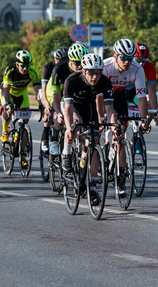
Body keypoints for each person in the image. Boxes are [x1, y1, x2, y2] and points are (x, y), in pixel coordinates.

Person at [62, 53, 117, 204]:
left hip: (88, 107)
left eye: (98, 73)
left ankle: (92, 185)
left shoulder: (104, 82)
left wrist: (114, 126)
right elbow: (68, 109)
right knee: (74, 125)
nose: (94, 77)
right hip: (72, 107)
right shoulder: (72, 80)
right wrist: (68, 128)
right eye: (91, 73)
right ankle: (66, 153)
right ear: (84, 71)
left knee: (94, 142)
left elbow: (110, 108)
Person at [102, 39, 149, 197]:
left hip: (120, 95)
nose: (127, 62)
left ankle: (120, 179)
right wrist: (101, 117)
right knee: (101, 126)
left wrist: (143, 120)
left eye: (130, 58)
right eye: (123, 58)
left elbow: (141, 97)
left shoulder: (137, 69)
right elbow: (97, 96)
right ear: (115, 56)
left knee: (121, 136)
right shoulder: (105, 67)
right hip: (103, 95)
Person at [1, 50, 43, 167]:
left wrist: (40, 104)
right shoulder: (10, 71)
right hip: (8, 93)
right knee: (7, 110)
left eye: (27, 66)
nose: (25, 69)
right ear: (17, 64)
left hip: (22, 94)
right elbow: (6, 89)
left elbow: (37, 90)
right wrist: (8, 104)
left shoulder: (32, 71)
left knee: (24, 125)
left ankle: (23, 154)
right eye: (23, 66)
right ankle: (5, 130)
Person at [49, 44, 87, 156]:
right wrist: (58, 112)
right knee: (61, 118)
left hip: (76, 95)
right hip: (59, 92)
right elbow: (56, 96)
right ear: (70, 60)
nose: (80, 66)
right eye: (76, 63)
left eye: (82, 62)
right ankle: (54, 140)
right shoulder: (59, 69)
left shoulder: (86, 68)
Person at [40, 47, 68, 154]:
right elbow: (44, 89)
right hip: (48, 92)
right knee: (50, 112)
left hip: (61, 92)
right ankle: (45, 138)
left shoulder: (67, 68)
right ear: (55, 60)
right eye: (60, 60)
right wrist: (46, 105)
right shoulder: (48, 67)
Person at [130, 43, 158, 125]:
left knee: (148, 104)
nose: (141, 64)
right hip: (124, 91)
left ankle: (142, 128)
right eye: (138, 60)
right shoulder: (126, 64)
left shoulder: (150, 67)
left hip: (137, 92)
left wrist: (155, 112)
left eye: (144, 60)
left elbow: (152, 92)